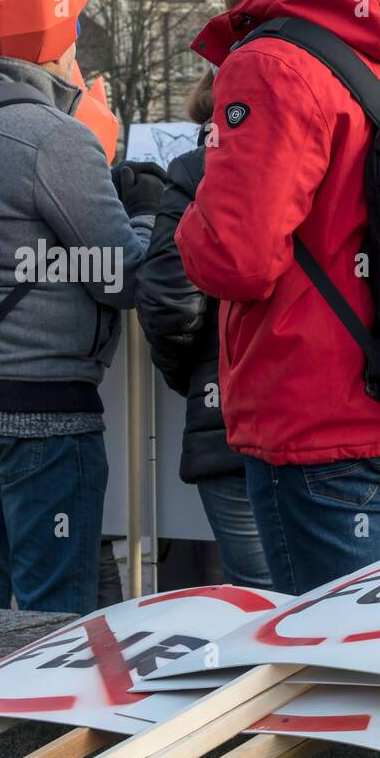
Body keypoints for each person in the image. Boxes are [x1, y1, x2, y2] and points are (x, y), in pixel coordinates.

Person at [176, 0, 380, 595]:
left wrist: (194, 210)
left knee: (333, 669)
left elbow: (235, 259)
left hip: (319, 422)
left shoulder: (271, 62)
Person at [0, 0, 164, 613]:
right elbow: (122, 277)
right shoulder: (54, 138)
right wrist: (146, 211)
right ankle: (44, 723)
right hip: (42, 415)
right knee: (52, 618)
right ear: (56, 36)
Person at [135, 70, 270, 590]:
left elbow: (170, 303)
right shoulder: (332, 158)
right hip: (335, 418)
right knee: (342, 603)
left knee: (259, 602)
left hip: (226, 410)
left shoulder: (194, 172)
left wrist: (193, 375)